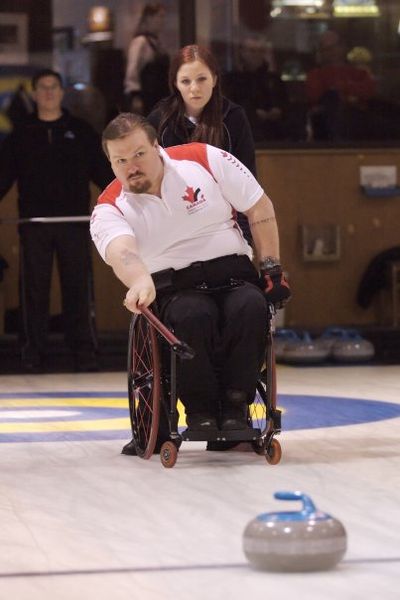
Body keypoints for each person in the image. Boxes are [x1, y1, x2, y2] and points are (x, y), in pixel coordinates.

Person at [90, 112, 291, 455]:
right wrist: (139, 280)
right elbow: (121, 252)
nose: (131, 166)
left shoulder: (204, 159)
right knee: (193, 315)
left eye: (139, 154)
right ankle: (199, 411)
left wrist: (271, 267)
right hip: (174, 288)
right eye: (120, 160)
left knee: (252, 306)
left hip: (232, 273)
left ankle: (234, 407)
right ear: (110, 164)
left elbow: (259, 207)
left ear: (157, 146)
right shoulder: (110, 206)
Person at [0, 69, 113, 372]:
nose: (49, 93)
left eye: (54, 87)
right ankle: (31, 354)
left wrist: (127, 199)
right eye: (43, 88)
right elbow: (3, 177)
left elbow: (104, 175)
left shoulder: (81, 131)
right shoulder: (21, 134)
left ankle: (84, 353)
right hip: (34, 225)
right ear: (35, 94)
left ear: (62, 93)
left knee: (78, 288)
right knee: (34, 292)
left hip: (74, 223)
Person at [147, 43, 255, 243]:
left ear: (214, 79)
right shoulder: (159, 120)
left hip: (225, 227)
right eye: (185, 81)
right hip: (175, 229)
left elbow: (247, 181)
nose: (194, 88)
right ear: (175, 83)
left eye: (202, 79)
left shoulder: (233, 117)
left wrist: (245, 239)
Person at [306, 30, 376, 141]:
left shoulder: (360, 73)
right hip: (326, 130)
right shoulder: (315, 75)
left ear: (343, 47)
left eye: (334, 47)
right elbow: (315, 96)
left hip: (360, 127)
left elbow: (368, 91)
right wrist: (348, 93)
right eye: (326, 49)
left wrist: (342, 88)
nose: (331, 52)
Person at [223, 37, 288, 142]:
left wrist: (278, 110)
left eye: (260, 51)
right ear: (242, 53)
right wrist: (252, 113)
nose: (256, 55)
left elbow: (285, 104)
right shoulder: (232, 79)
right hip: (244, 135)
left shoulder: (274, 79)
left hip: (274, 136)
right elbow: (229, 107)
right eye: (252, 51)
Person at [123, 2, 170, 116]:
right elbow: (132, 71)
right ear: (149, 18)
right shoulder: (140, 42)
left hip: (161, 97)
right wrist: (135, 97)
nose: (162, 21)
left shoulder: (158, 43)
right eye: (160, 16)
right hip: (147, 98)